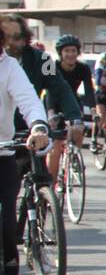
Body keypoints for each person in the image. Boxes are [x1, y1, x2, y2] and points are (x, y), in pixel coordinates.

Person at [0, 40, 50, 275]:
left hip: (2, 157)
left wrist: (39, 127)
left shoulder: (9, 66)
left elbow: (29, 100)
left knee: (6, 228)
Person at [0, 14, 81, 183]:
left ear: (24, 39)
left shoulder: (43, 59)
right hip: (4, 131)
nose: (7, 43)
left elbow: (60, 87)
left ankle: (41, 202)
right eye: (3, 36)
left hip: (31, 126)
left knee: (40, 177)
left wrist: (74, 117)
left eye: (14, 37)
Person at [51, 35, 94, 180]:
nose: (70, 54)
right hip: (54, 103)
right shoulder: (52, 66)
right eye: (67, 51)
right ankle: (50, 184)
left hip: (73, 102)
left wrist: (93, 110)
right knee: (55, 147)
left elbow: (89, 90)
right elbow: (49, 91)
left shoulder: (83, 68)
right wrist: (50, 113)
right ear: (60, 53)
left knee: (78, 128)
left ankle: (74, 155)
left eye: (73, 51)